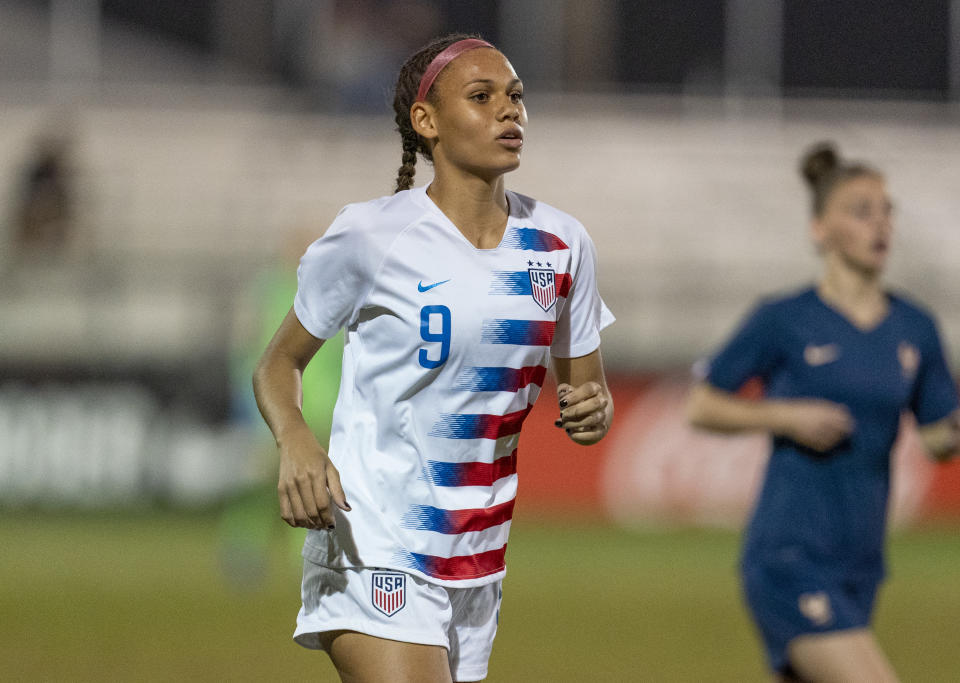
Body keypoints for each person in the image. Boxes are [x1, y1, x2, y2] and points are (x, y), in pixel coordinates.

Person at [253, 34, 614, 682]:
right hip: (373, 541)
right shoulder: (371, 236)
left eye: (517, 97)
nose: (510, 111)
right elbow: (277, 364)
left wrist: (594, 409)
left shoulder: (562, 244)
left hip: (478, 559)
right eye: (482, 97)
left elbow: (587, 398)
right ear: (427, 122)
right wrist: (296, 439)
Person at [686, 141, 960, 682]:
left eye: (887, 211)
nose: (880, 224)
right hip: (788, 556)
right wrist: (784, 416)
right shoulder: (784, 319)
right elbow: (702, 405)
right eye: (861, 211)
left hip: (861, 563)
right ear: (820, 228)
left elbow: (937, 440)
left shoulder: (915, 327)